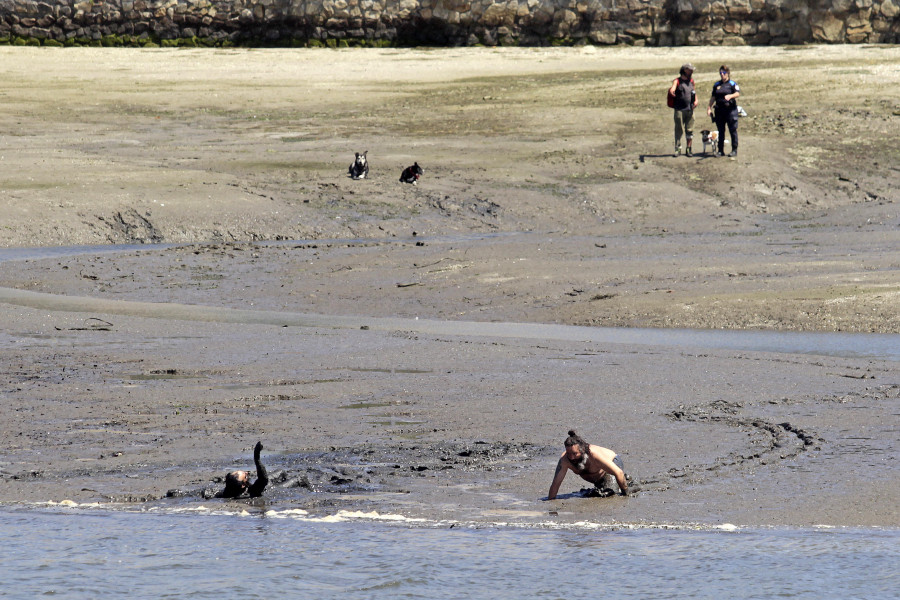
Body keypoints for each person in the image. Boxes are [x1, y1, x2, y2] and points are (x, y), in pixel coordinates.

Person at [547, 430, 629, 499]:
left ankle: (630, 487)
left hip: (613, 465)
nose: (571, 457)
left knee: (609, 494)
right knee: (598, 492)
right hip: (597, 478)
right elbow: (556, 484)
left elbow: (618, 472)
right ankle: (624, 481)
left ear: (582, 450)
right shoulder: (564, 460)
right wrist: (550, 502)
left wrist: (625, 494)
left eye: (575, 454)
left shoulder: (593, 454)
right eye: (569, 453)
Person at [707, 65, 741, 158]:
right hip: (719, 110)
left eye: (724, 73)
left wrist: (730, 96)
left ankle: (734, 149)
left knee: (732, 130)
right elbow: (713, 97)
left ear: (728, 73)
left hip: (730, 110)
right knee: (720, 131)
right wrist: (709, 107)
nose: (722, 75)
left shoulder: (732, 83)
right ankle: (720, 150)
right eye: (721, 73)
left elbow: (737, 93)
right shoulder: (717, 85)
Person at [669, 63, 698, 156]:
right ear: (685, 70)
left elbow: (694, 92)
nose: (692, 72)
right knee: (678, 129)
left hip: (690, 109)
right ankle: (678, 149)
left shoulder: (692, 81)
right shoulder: (677, 81)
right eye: (690, 70)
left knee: (690, 130)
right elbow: (672, 88)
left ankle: (689, 149)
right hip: (679, 110)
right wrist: (672, 91)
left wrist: (696, 101)